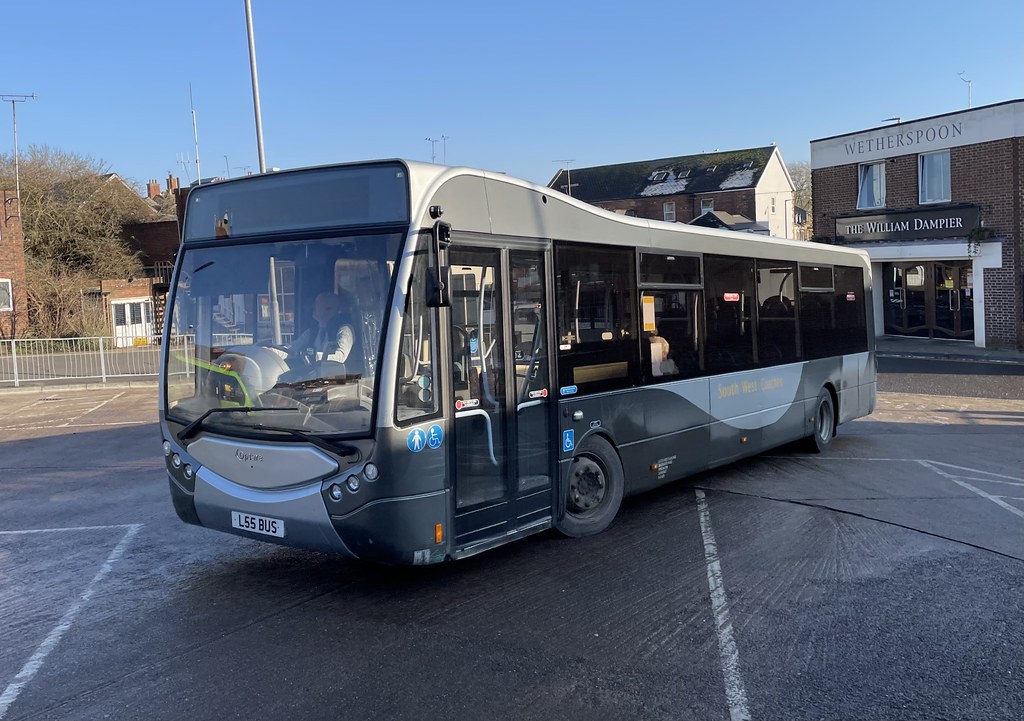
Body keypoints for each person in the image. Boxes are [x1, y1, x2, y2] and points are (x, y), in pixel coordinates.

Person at [289, 291, 360, 370]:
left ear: (329, 310)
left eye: (317, 304)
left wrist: (315, 357)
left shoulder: (345, 330)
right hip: (313, 378)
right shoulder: (312, 331)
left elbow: (341, 356)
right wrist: (276, 352)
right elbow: (293, 348)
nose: (313, 307)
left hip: (341, 379)